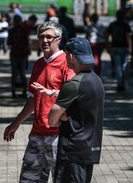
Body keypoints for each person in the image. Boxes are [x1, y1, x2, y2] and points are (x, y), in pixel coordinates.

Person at [3, 21, 75, 182]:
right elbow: (33, 98)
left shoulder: (67, 63)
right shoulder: (38, 64)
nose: (45, 41)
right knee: (28, 180)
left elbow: (72, 96)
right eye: (41, 37)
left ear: (59, 39)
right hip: (37, 134)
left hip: (58, 135)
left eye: (49, 37)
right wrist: (16, 123)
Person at [44, 37, 104, 183]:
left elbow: (51, 120)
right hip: (90, 149)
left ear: (71, 56)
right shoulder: (97, 81)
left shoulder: (73, 85)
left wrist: (62, 116)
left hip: (71, 151)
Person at [105, 9, 132, 92]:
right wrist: (130, 48)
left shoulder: (112, 25)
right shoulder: (126, 25)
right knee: (124, 67)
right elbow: (128, 37)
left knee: (117, 66)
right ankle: (122, 84)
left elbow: (106, 35)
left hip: (115, 47)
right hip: (124, 47)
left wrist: (108, 46)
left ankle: (119, 84)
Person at [8, 14, 31, 98]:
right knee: (22, 73)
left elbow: (9, 42)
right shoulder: (24, 30)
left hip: (15, 53)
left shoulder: (12, 30)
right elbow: (27, 42)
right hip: (22, 53)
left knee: (15, 73)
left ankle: (14, 91)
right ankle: (24, 90)